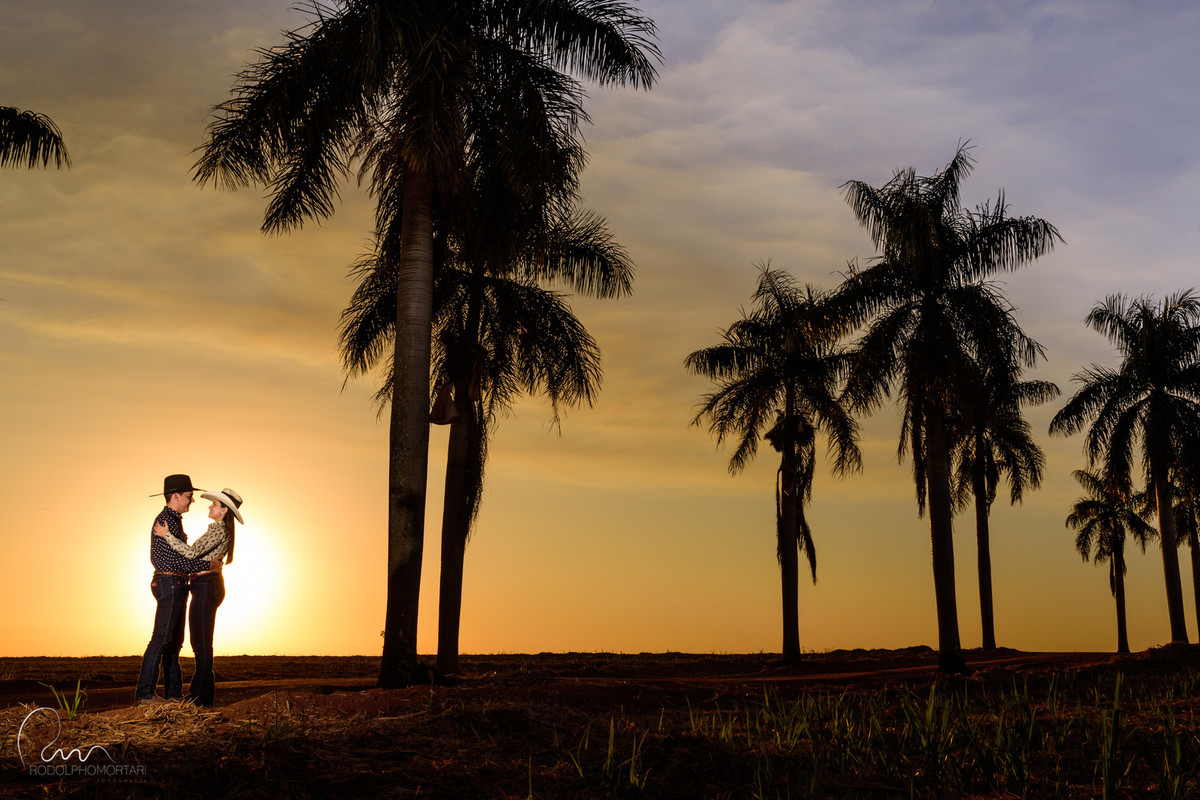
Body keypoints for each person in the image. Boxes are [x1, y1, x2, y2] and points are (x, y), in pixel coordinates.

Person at [135, 474, 223, 706]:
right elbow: (175, 561)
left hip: (175, 584)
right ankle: (144, 694)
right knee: (162, 638)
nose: (192, 500)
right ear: (176, 496)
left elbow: (180, 557)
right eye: (189, 496)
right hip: (169, 583)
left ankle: (173, 694)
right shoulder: (166, 521)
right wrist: (208, 566)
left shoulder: (172, 520)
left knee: (173, 642)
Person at [153, 487, 242, 707]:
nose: (210, 506)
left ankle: (199, 698)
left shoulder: (219, 531)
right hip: (204, 585)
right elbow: (195, 555)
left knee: (201, 643)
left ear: (224, 511)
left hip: (206, 585)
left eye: (215, 504)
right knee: (200, 642)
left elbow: (191, 553)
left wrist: (167, 535)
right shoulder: (217, 530)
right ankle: (202, 697)